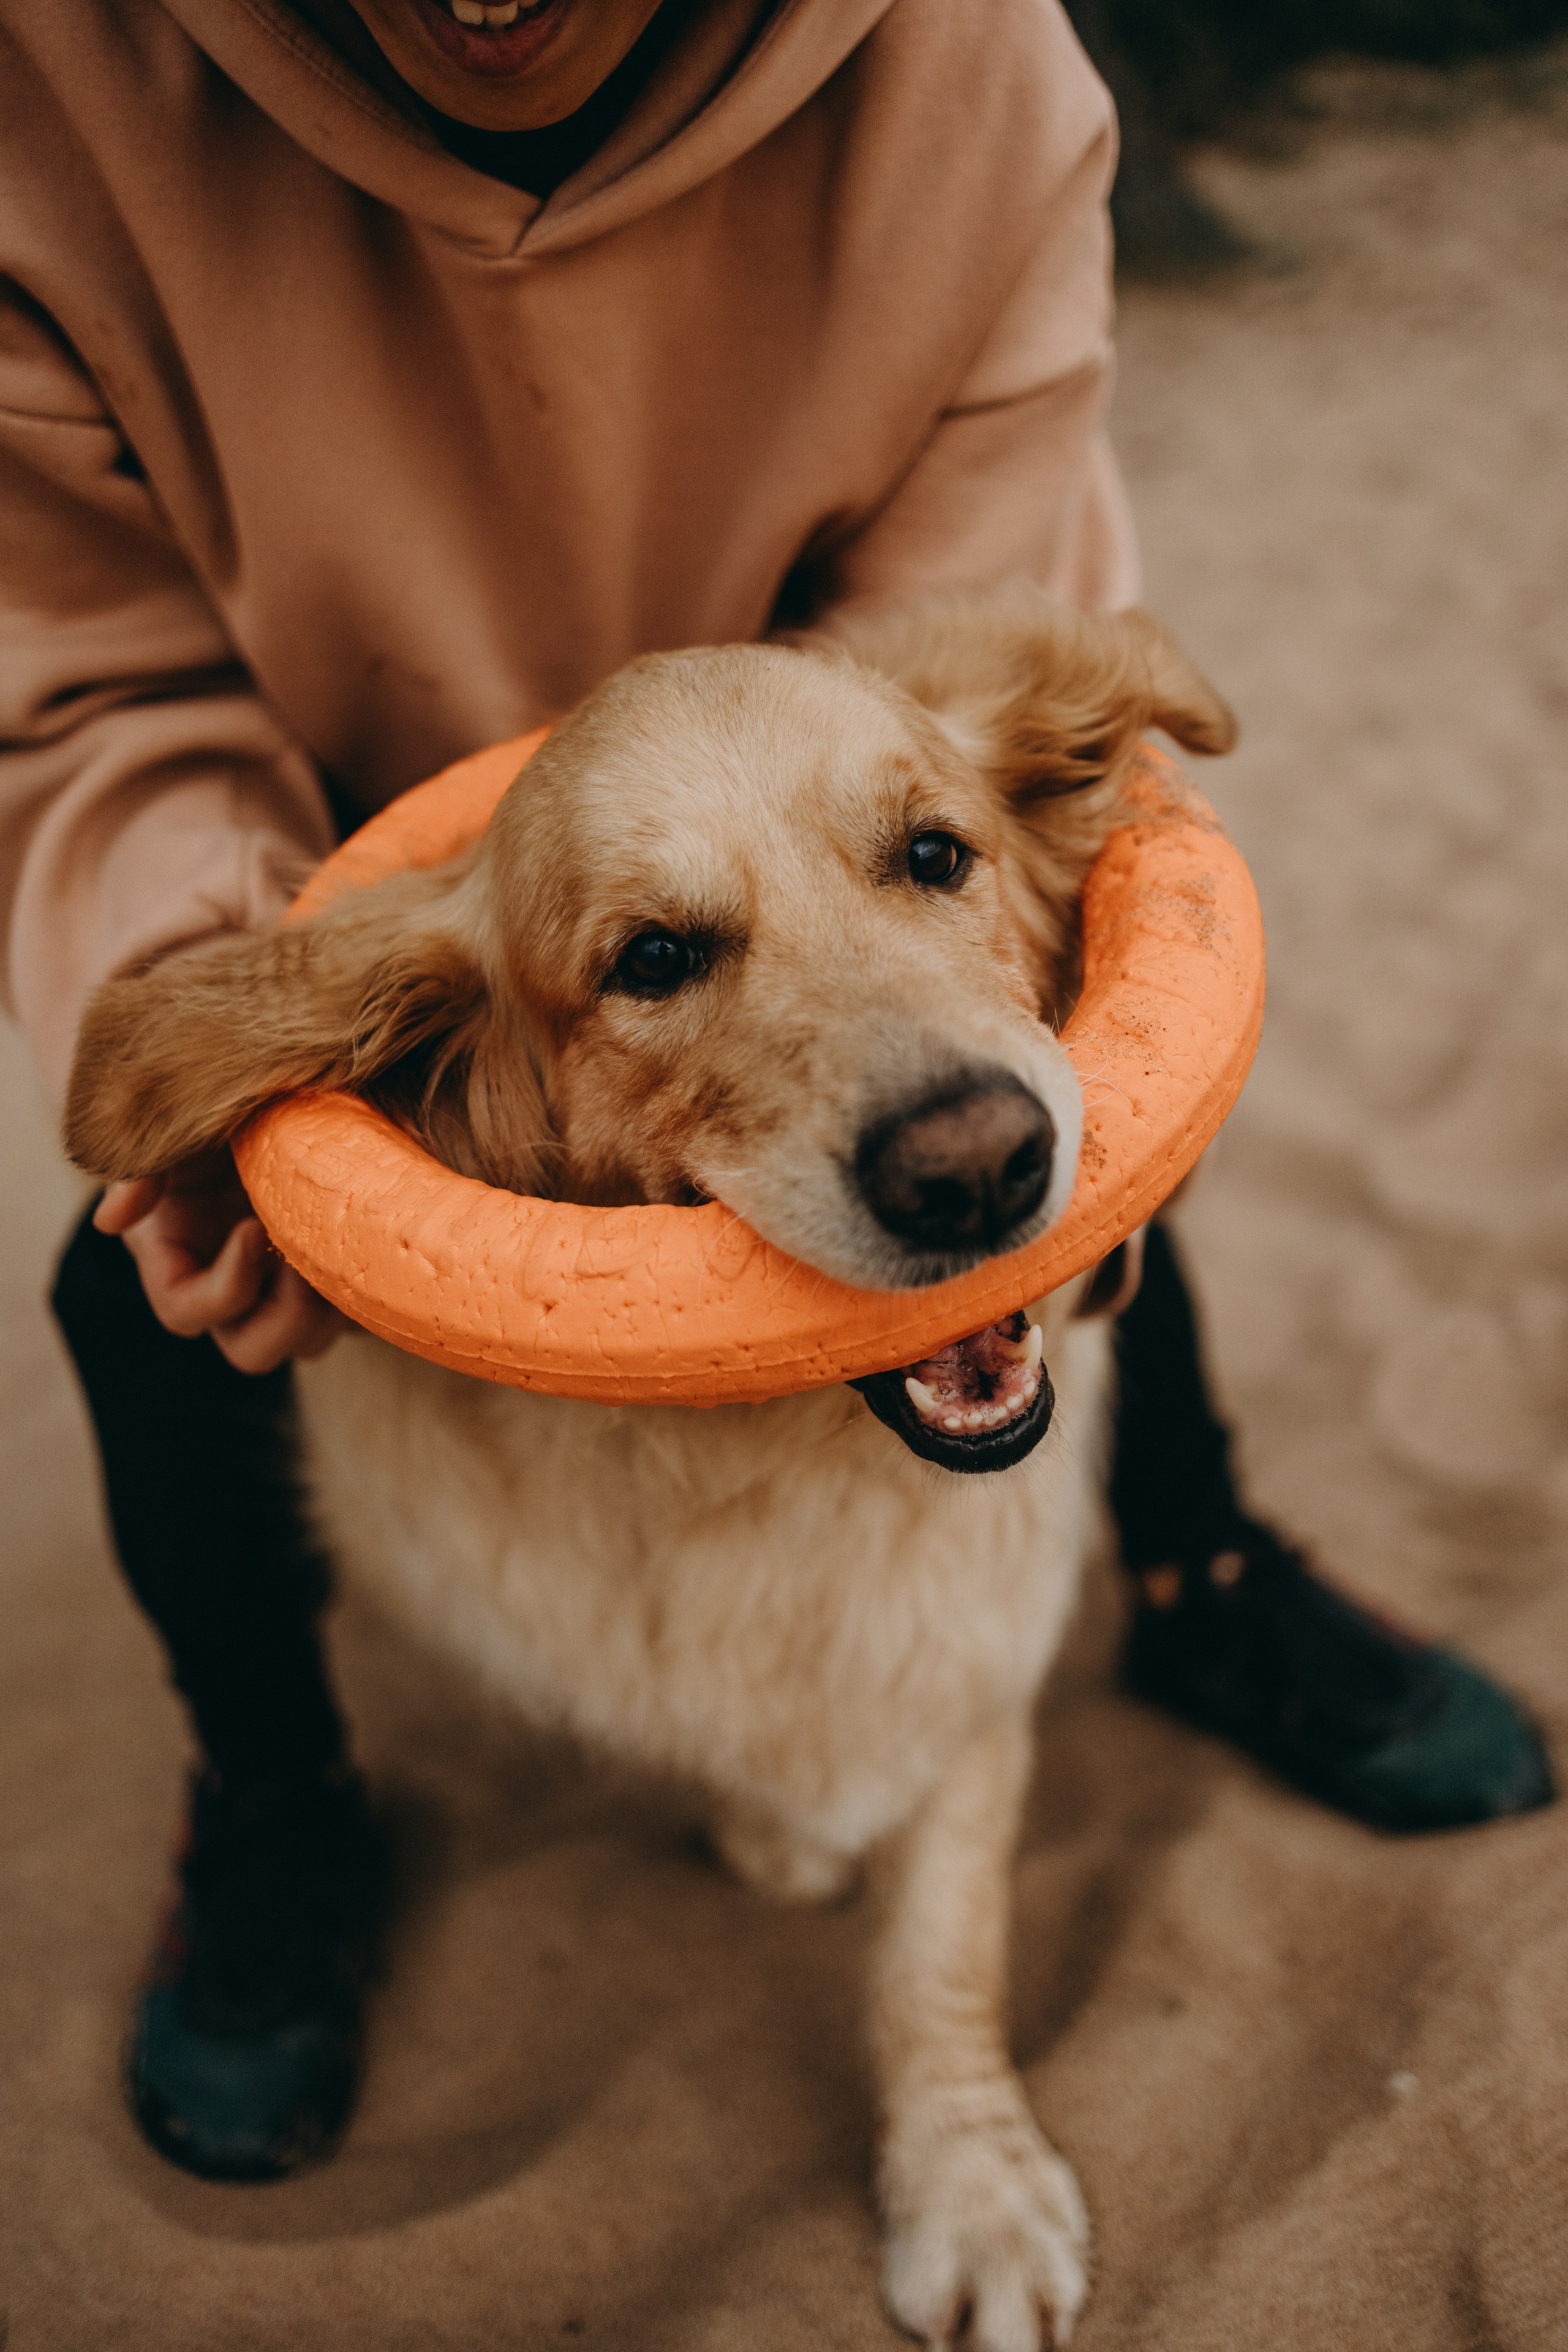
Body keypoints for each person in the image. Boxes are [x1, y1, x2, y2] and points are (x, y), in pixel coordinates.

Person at [3, 0, 1550, 2185]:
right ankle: (278, 1795)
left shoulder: (967, 68)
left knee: (1059, 1152)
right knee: (136, 1306)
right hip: (349, 841)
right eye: (672, 953)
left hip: (832, 689)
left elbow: (970, 623)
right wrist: (224, 998)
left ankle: (1200, 1567)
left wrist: (915, 859)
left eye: (928, 856)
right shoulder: (42, 99)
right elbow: (93, 682)